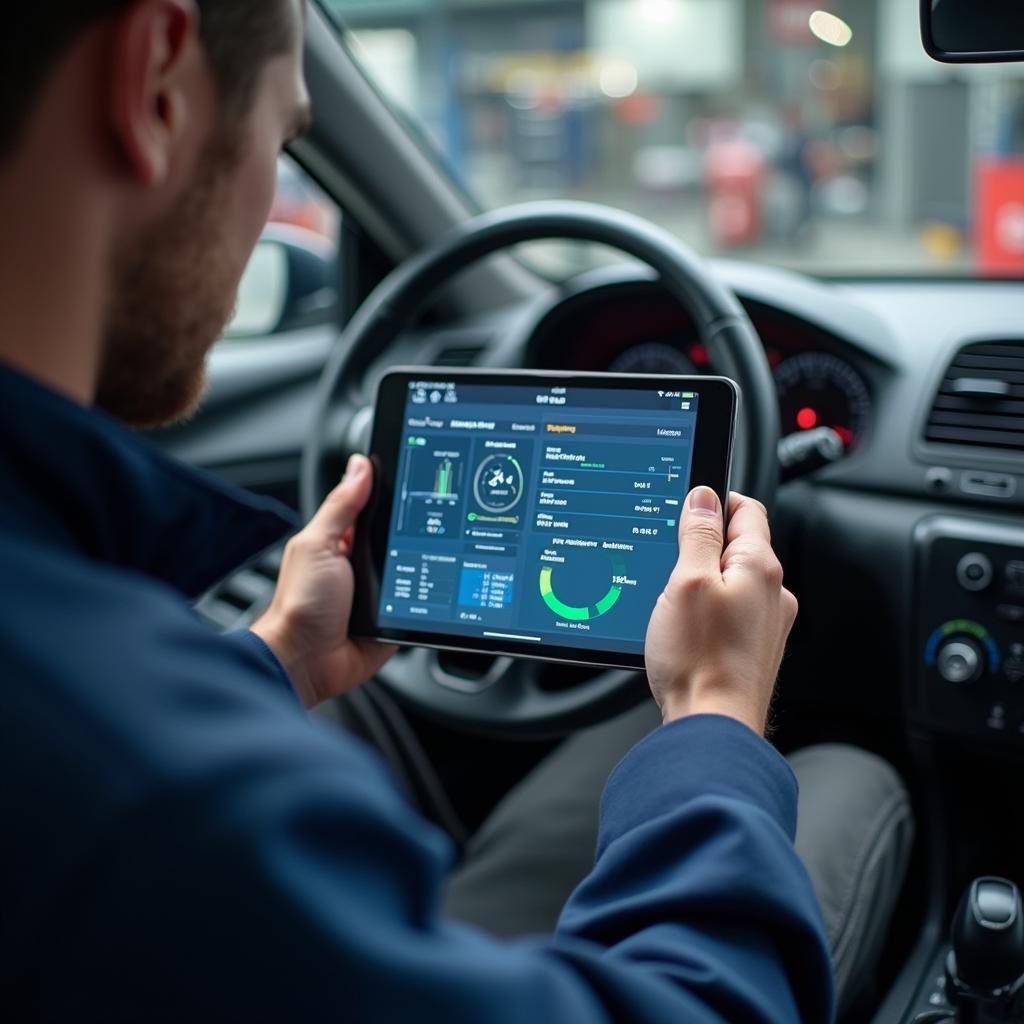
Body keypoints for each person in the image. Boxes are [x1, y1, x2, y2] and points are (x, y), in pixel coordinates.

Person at [0, 1, 911, 1020]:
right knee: (849, 772)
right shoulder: (160, 800)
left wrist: (275, 660)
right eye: (285, 137)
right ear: (157, 80)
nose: (269, 199)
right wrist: (712, 710)